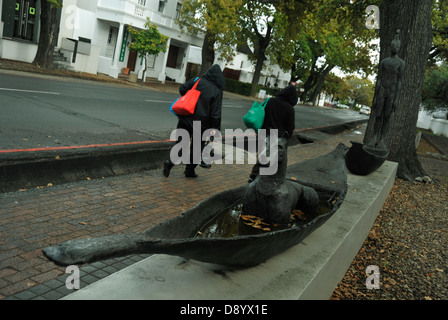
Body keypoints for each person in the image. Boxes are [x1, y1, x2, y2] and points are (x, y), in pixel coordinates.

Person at [163, 64, 224, 178]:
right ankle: (189, 171)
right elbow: (216, 113)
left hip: (185, 118)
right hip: (201, 125)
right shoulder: (217, 91)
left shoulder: (197, 81)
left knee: (181, 144)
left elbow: (182, 89)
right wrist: (215, 130)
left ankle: (169, 162)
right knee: (196, 148)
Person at [248, 84, 298, 182]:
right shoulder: (290, 109)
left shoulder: (270, 101)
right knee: (274, 160)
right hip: (277, 137)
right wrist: (287, 138)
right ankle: (266, 179)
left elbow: (263, 115)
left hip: (264, 133)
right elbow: (290, 127)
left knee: (262, 156)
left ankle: (253, 176)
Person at [367, 30, 405, 150]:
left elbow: (399, 81)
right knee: (378, 115)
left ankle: (382, 139)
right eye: (393, 45)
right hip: (382, 90)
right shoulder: (384, 62)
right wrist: (375, 97)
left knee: (387, 116)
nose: (395, 47)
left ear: (399, 47)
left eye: (397, 46)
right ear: (390, 46)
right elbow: (379, 79)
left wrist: (396, 99)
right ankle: (374, 137)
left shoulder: (401, 63)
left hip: (392, 92)